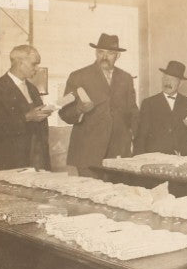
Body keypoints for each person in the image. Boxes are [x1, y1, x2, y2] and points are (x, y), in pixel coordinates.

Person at [57, 33, 138, 175]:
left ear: (118, 56)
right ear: (96, 52)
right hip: (88, 153)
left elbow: (133, 112)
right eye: (101, 52)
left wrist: (136, 144)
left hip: (119, 153)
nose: (104, 57)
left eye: (110, 53)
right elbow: (64, 113)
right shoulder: (78, 76)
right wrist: (79, 109)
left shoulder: (126, 78)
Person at [0, 44, 54, 172]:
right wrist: (26, 117)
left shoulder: (33, 89)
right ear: (20, 63)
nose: (37, 68)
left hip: (37, 163)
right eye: (34, 64)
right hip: (9, 163)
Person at [133, 60, 187, 156]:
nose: (167, 82)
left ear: (180, 83)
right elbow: (141, 135)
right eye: (165, 78)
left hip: (184, 156)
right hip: (156, 158)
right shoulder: (149, 103)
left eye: (173, 79)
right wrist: (138, 159)